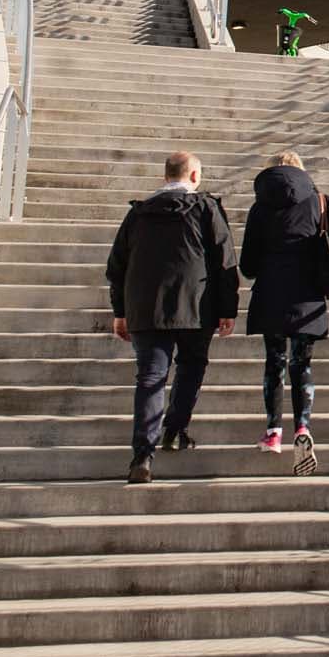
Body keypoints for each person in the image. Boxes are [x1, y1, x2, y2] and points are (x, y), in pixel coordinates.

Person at [106, 151, 237, 484]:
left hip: (146, 309)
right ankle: (175, 429)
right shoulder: (206, 209)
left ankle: (142, 456)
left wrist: (120, 311)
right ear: (194, 176)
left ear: (166, 175)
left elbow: (117, 266)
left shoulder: (138, 214)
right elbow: (225, 262)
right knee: (191, 367)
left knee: (150, 378)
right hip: (196, 307)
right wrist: (228, 309)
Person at [240, 151, 329, 471]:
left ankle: (273, 432)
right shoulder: (321, 202)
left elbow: (248, 266)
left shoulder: (260, 207)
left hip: (270, 295)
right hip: (308, 296)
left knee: (274, 362)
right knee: (301, 364)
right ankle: (302, 428)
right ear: (301, 172)